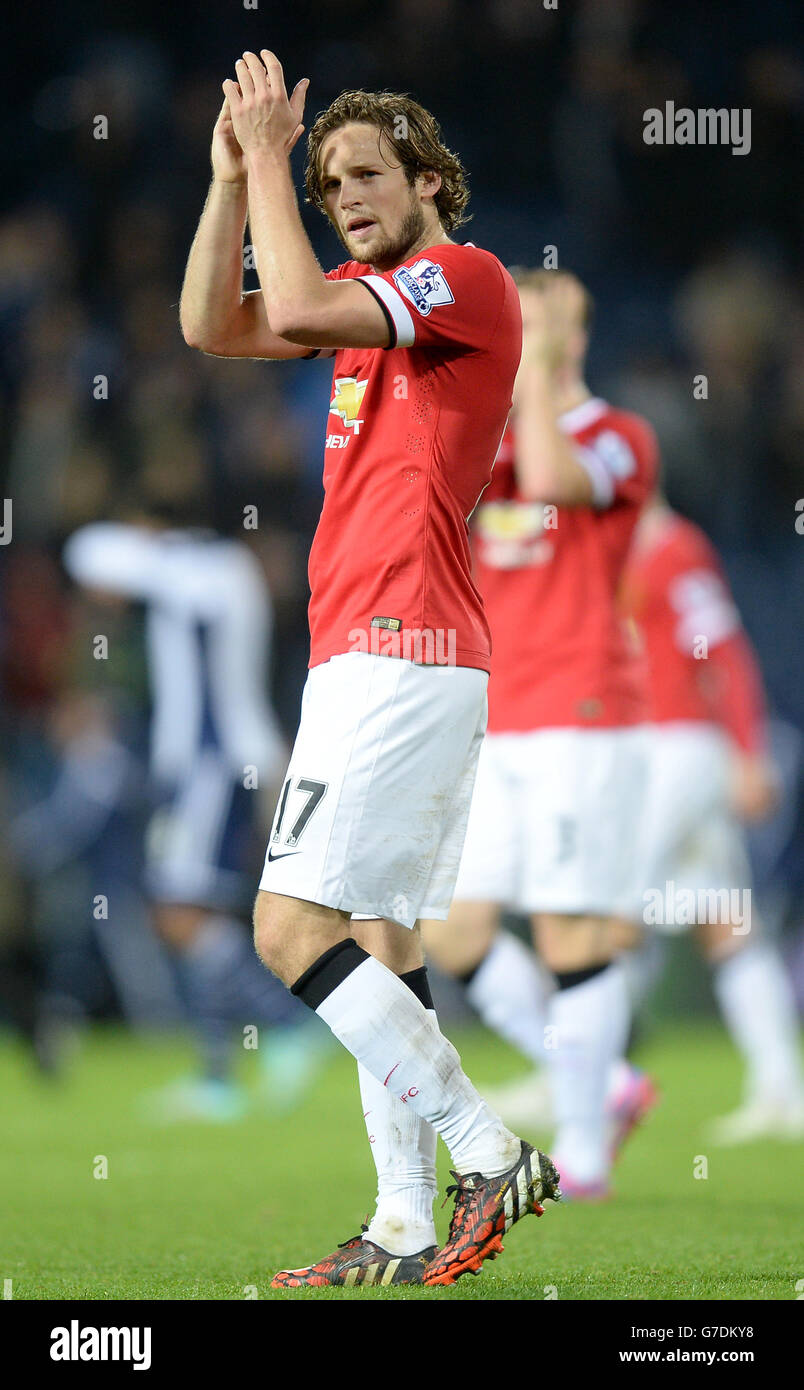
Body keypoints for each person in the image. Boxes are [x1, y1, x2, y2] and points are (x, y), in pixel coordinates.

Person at [180, 51, 559, 1287]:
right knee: (380, 942)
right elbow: (213, 324)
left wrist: (276, 162)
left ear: (431, 182)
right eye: (330, 178)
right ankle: (401, 1223)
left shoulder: (467, 280)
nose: (343, 196)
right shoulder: (361, 298)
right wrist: (235, 177)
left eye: (363, 176)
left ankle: (487, 1149)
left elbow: (283, 311)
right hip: (372, 654)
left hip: (400, 652)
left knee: (288, 929)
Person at [422, 270, 659, 1199]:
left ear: (576, 335)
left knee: (567, 928)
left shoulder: (616, 436)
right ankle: (603, 1081)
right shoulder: (495, 446)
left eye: (541, 318)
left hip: (583, 714)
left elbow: (558, 482)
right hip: (500, 716)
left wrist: (531, 383)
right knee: (453, 928)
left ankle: (583, 1149)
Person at [63, 516, 326, 1121]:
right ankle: (221, 1075)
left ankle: (284, 1026)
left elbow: (111, 557)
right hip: (224, 762)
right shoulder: (209, 569)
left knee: (180, 912)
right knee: (194, 913)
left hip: (211, 765)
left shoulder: (190, 578)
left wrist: (143, 549)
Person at [621, 494, 804, 1143]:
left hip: (678, 749)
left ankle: (585, 1075)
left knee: (608, 903)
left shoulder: (672, 546)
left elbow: (724, 652)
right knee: (722, 919)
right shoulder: (621, 543)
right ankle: (782, 1088)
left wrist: (750, 752)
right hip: (661, 748)